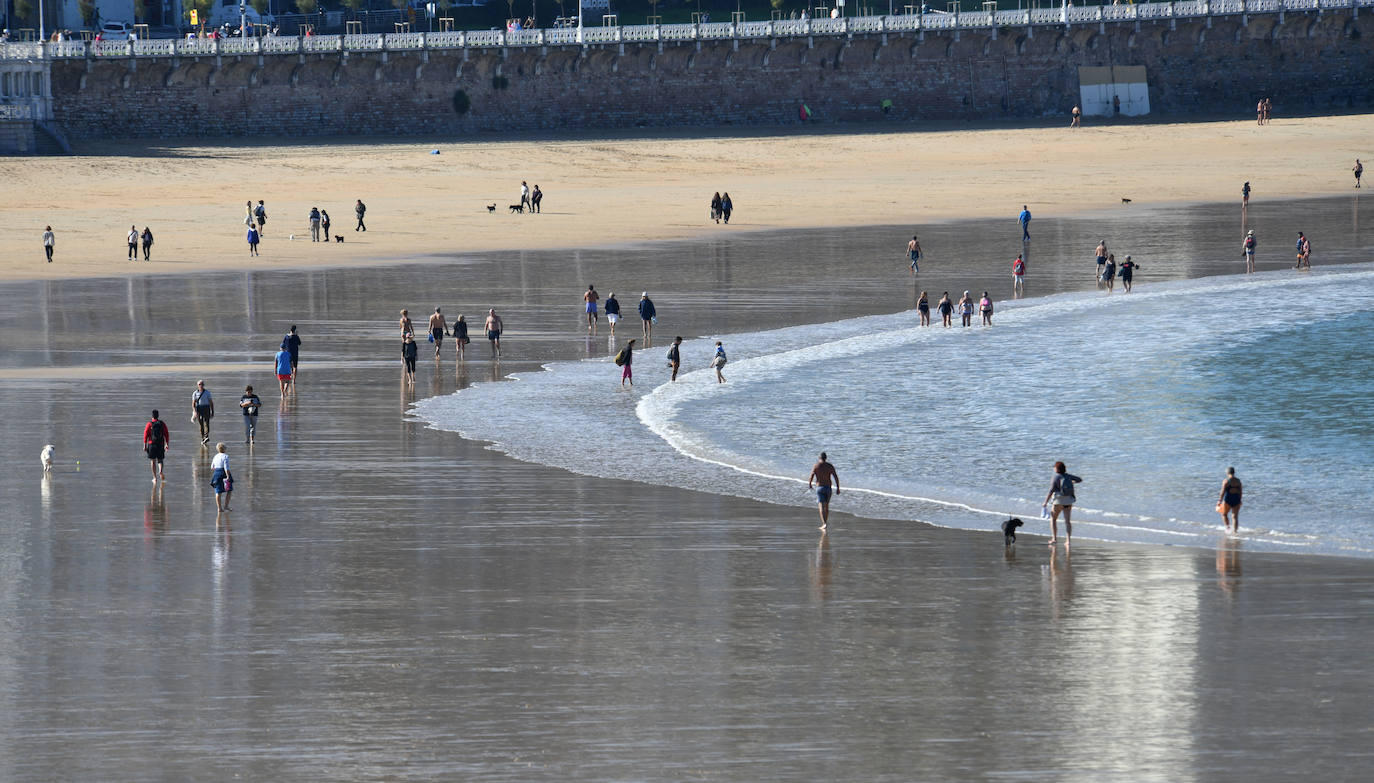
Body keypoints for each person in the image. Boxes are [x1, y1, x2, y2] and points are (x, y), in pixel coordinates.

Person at [1042, 461, 1081, 547]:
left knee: (1053, 519)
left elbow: (1051, 491)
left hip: (1058, 502)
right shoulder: (1068, 476)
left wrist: (1045, 502)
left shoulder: (1055, 477)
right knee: (1067, 522)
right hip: (1068, 501)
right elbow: (1079, 479)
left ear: (1057, 469)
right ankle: (1068, 541)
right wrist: (1072, 482)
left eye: (1054, 467)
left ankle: (1054, 539)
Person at [808, 452, 841, 531]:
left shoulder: (816, 466)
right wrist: (838, 488)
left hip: (819, 487)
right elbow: (835, 477)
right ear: (826, 458)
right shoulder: (829, 466)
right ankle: (825, 523)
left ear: (819, 458)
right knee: (826, 506)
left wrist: (810, 484)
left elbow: (811, 475)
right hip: (828, 488)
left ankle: (824, 523)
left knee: (821, 506)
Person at [143, 410, 170, 483]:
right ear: (158, 416)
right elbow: (166, 434)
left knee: (153, 461)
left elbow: (145, 435)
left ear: (152, 416)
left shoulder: (149, 424)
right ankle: (160, 471)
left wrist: (145, 445)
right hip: (160, 444)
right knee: (160, 460)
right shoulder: (162, 424)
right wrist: (166, 444)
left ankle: (154, 478)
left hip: (152, 444)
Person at [1217, 467, 1243, 533]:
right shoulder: (1238, 481)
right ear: (1234, 472)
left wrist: (1219, 500)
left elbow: (1222, 492)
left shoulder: (1226, 481)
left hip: (1228, 499)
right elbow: (1240, 492)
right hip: (1236, 499)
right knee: (1235, 517)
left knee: (1224, 514)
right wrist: (1240, 500)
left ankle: (1228, 528)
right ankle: (1235, 531)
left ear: (1227, 473)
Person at [210, 442, 233, 512]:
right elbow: (226, 467)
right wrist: (228, 476)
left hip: (216, 473)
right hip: (223, 473)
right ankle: (226, 506)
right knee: (229, 490)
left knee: (218, 492)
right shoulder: (225, 456)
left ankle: (219, 508)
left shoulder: (215, 456)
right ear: (225, 449)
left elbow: (212, 467)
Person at [192, 379, 214, 444]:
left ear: (203, 385)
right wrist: (194, 411)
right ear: (197, 385)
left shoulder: (207, 392)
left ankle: (206, 436)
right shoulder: (195, 393)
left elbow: (211, 402)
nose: (201, 385)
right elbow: (193, 403)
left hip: (206, 408)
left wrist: (212, 411)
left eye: (202, 384)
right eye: (199, 384)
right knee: (201, 424)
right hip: (199, 408)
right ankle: (203, 438)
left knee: (206, 423)